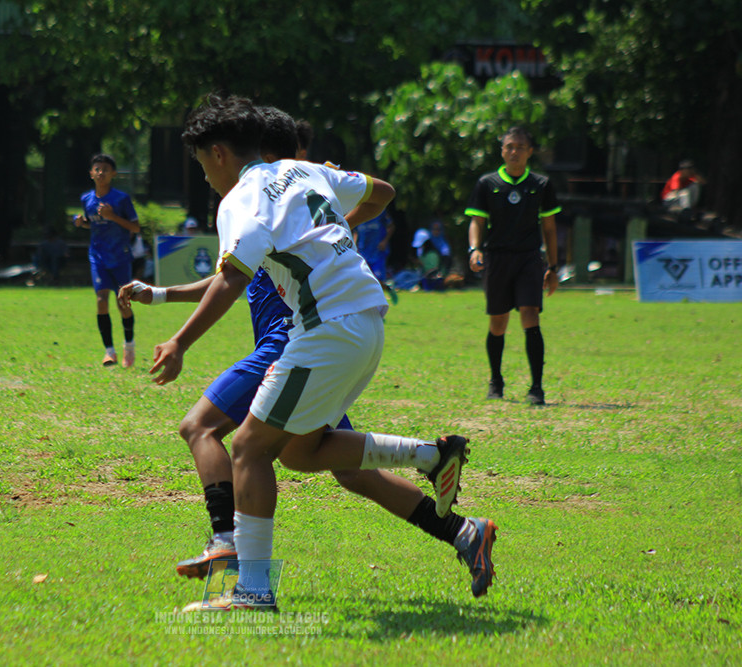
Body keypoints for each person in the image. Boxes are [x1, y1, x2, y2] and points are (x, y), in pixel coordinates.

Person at [149, 93, 497, 608]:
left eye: (202, 164)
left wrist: (179, 341)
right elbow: (382, 193)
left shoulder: (240, 201)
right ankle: (431, 459)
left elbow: (230, 280)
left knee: (247, 449)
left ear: (219, 153)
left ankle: (252, 589)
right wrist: (337, 228)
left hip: (324, 330)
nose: (205, 176)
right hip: (365, 323)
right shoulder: (306, 171)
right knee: (299, 451)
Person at [465, 126, 560, 406]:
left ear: (530, 152)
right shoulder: (487, 183)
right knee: (498, 322)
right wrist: (474, 249)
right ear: (502, 151)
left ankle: (537, 387)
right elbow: (477, 221)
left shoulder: (541, 185)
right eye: (509, 146)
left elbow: (550, 228)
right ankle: (496, 381)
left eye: (520, 147)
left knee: (531, 315)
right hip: (497, 258)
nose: (514, 151)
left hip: (529, 258)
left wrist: (553, 267)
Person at [73, 153, 140, 368]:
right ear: (91, 174)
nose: (101, 173)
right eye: (97, 169)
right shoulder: (86, 199)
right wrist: (81, 222)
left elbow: (135, 227)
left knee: (123, 303)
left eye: (105, 169)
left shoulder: (121, 199)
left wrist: (113, 217)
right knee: (101, 300)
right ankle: (109, 352)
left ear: (113, 174)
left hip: (120, 256)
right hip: (98, 256)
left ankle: (129, 345)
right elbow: (92, 222)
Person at [412, 218, 453, 290]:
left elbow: (446, 257)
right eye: (434, 229)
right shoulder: (426, 240)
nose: (436, 231)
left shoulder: (443, 245)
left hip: (438, 270)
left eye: (438, 229)